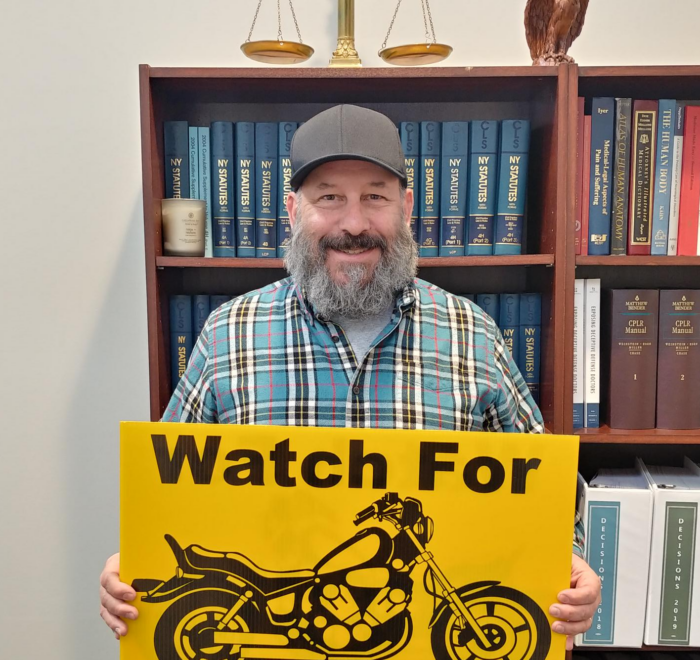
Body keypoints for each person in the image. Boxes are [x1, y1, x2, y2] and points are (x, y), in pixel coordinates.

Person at [100, 104, 600, 649]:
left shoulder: (472, 333)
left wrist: (569, 563)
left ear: (406, 207)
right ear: (293, 210)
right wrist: (130, 561)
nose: (355, 224)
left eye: (375, 197)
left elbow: (543, 485)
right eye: (329, 197)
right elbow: (166, 489)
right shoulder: (227, 333)